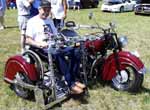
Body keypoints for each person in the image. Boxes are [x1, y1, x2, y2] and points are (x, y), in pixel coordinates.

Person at [25, 0, 86, 94]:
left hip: (55, 45)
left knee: (76, 50)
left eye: (48, 9)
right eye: (44, 9)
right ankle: (70, 84)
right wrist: (39, 44)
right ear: (39, 9)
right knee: (58, 55)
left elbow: (56, 34)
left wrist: (63, 41)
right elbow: (28, 40)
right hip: (41, 49)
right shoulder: (32, 22)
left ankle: (74, 78)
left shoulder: (49, 20)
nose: (46, 12)